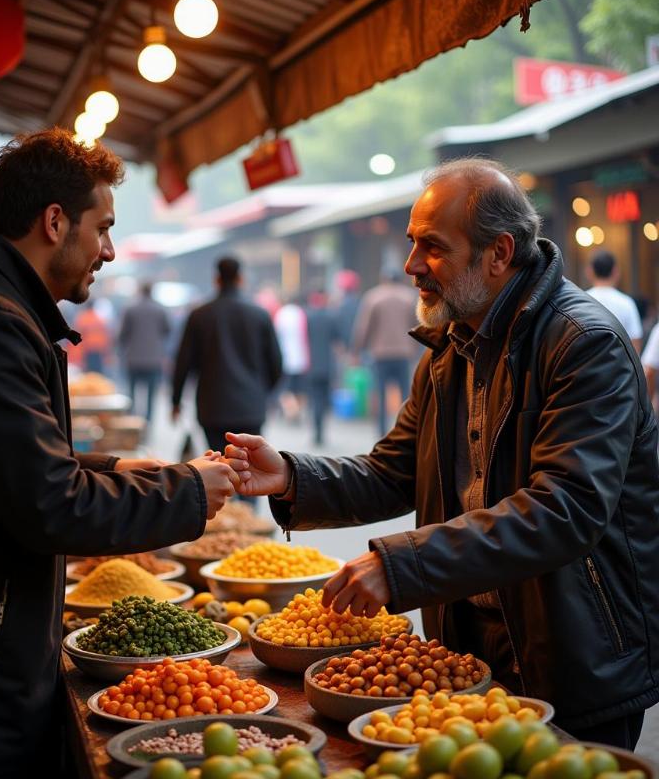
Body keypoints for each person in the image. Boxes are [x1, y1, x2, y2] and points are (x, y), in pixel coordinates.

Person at [225, 157, 659, 750]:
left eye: (432, 247)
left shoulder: (584, 345)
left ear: (498, 253)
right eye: (412, 243)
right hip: (469, 647)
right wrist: (291, 477)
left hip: (571, 652)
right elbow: (392, 471)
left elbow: (566, 508)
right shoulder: (449, 349)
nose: (410, 266)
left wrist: (400, 565)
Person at [0, 128, 240, 779]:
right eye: (104, 228)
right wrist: (192, 491)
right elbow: (49, 504)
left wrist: (115, 468)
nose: (110, 251)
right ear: (56, 222)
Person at [171, 255, 282, 453]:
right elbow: (276, 362)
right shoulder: (259, 315)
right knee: (250, 467)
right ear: (241, 279)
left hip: (212, 407)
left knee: (220, 466)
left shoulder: (199, 315)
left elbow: (183, 362)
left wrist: (176, 400)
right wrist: (263, 393)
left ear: (217, 279)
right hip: (250, 406)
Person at [352, 266, 419, 436]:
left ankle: (381, 430)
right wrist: (416, 348)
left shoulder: (373, 297)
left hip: (380, 353)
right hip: (404, 352)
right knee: (405, 393)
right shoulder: (409, 297)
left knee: (380, 393)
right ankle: (405, 428)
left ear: (383, 279)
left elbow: (363, 328)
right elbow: (419, 324)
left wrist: (356, 351)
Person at [118, 281, 171, 422]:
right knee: (151, 396)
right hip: (153, 359)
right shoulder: (160, 310)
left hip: (133, 358)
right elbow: (167, 330)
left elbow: (123, 334)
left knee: (131, 394)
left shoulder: (130, 309)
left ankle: (132, 422)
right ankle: (147, 423)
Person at [586, 249, 643, 352]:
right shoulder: (627, 303)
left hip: (587, 366)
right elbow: (635, 346)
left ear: (590, 272)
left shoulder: (582, 301)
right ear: (615, 271)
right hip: (620, 366)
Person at [305, 289, 340, 445]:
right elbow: (337, 341)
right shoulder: (331, 317)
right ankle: (321, 431)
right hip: (327, 364)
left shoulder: (308, 317)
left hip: (311, 363)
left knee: (315, 399)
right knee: (324, 399)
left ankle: (317, 431)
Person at [274, 295, 310, 421]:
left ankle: (291, 411)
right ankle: (295, 411)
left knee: (286, 389)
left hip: (285, 356)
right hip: (301, 357)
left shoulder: (282, 314)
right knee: (299, 388)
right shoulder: (301, 313)